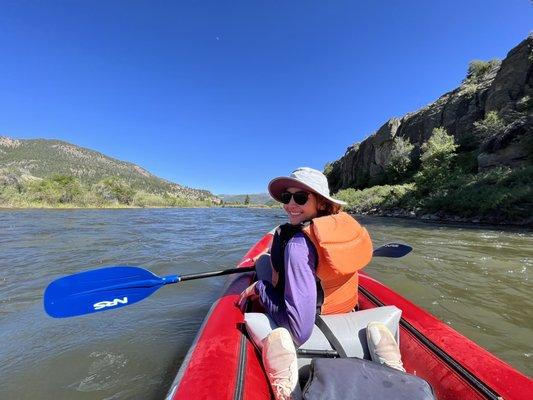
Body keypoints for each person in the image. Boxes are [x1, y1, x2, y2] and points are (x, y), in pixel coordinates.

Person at [237, 167, 404, 399]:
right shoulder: (341, 225)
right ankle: (394, 372)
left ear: (322, 202)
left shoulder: (298, 246)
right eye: (286, 197)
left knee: (263, 270)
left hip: (311, 320)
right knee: (265, 260)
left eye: (301, 197)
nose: (290, 204)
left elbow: (299, 331)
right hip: (345, 309)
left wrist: (260, 288)